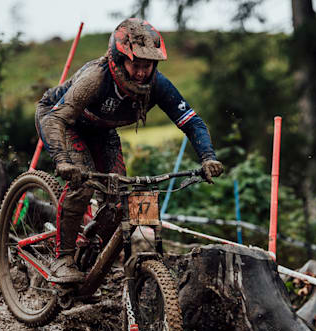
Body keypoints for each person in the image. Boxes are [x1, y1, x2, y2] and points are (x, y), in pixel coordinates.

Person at [35, 18, 224, 282]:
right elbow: (55, 119)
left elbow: (192, 122)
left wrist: (208, 157)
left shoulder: (158, 85)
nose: (141, 73)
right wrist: (63, 161)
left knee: (120, 197)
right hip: (63, 121)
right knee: (83, 184)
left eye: (147, 66)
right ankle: (63, 258)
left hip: (102, 131)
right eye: (136, 65)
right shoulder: (96, 78)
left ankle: (92, 256)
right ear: (118, 59)